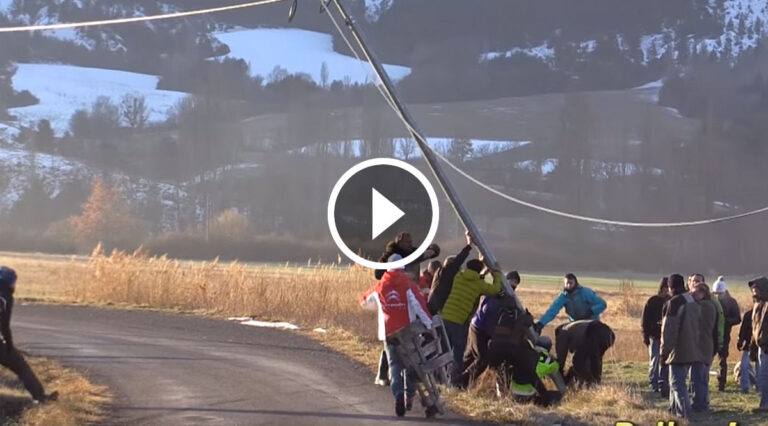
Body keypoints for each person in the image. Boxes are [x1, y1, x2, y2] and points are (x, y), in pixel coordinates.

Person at [360, 254, 432, 417]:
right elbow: (418, 305)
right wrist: (428, 324)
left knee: (394, 366)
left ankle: (398, 395)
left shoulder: (381, 286)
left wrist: (379, 308)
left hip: (388, 333)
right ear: (403, 267)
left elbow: (364, 301)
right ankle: (408, 398)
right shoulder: (409, 285)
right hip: (408, 332)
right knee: (410, 367)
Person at [373, 233, 439, 386]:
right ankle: (383, 374)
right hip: (394, 299)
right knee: (394, 337)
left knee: (412, 335)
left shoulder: (414, 254)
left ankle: (409, 373)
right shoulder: (390, 256)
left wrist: (431, 250)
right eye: (407, 242)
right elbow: (377, 274)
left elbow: (435, 251)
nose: (410, 244)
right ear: (399, 242)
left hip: (411, 298)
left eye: (411, 241)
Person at [441, 258, 503, 386]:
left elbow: (474, 278)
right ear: (478, 270)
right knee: (457, 353)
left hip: (445, 317)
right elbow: (495, 289)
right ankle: (454, 383)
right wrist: (497, 274)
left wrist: (483, 272)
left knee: (443, 351)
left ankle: (439, 380)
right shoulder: (478, 284)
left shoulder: (458, 276)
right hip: (460, 320)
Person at [0, 266, 57, 404]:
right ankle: (40, 397)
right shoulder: (5, 296)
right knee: (20, 365)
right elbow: (4, 324)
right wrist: (9, 344)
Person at [661, 273, 703, 419]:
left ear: (670, 287)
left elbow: (669, 330)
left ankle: (683, 415)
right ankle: (673, 410)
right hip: (692, 346)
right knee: (678, 381)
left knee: (677, 383)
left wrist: (664, 351)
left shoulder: (674, 302)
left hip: (678, 349)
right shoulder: (691, 299)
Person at [535, 273, 607, 332]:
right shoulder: (563, 297)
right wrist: (541, 324)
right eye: (567, 283)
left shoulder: (585, 292)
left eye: (571, 283)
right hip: (575, 324)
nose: (569, 285)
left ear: (575, 283)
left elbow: (602, 304)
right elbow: (552, 310)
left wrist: (591, 311)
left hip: (591, 322)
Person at [554, 319, 615, 386]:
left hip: (592, 331)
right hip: (609, 333)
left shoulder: (563, 332)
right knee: (595, 360)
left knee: (578, 362)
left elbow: (561, 359)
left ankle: (590, 383)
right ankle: (596, 383)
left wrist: (559, 375)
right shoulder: (573, 326)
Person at [427, 231, 472, 315]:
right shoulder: (445, 272)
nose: (458, 269)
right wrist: (469, 245)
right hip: (438, 308)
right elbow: (458, 260)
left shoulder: (442, 274)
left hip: (435, 306)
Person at [690, 283, 718, 412]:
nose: (693, 296)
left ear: (702, 294)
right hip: (707, 345)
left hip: (700, 346)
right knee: (702, 377)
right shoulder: (711, 306)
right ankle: (703, 402)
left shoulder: (702, 307)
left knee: (698, 378)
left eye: (695, 293)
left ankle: (700, 404)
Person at [641, 277, 670, 395]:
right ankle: (653, 383)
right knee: (654, 360)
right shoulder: (652, 301)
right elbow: (645, 320)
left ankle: (663, 382)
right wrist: (645, 335)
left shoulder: (671, 301)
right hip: (654, 336)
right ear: (663, 288)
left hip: (666, 337)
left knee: (664, 361)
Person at [713, 276, 742, 391]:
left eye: (720, 294)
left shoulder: (731, 302)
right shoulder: (711, 300)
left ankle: (722, 383)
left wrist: (725, 321)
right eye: (716, 294)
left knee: (722, 359)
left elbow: (737, 319)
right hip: (710, 334)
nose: (718, 296)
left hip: (724, 335)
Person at [749, 276, 768, 412]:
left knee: (765, 376)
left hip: (766, 347)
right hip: (761, 346)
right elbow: (755, 328)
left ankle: (765, 404)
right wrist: (753, 345)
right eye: (753, 290)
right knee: (761, 377)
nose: (754, 292)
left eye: (756, 290)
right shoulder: (757, 305)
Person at [736, 306, 759, 394]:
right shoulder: (749, 315)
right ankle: (747, 387)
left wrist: (740, 341)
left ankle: (757, 387)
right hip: (750, 345)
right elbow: (743, 330)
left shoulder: (749, 314)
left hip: (759, 345)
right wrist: (740, 341)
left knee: (746, 366)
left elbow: (743, 330)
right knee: (745, 366)